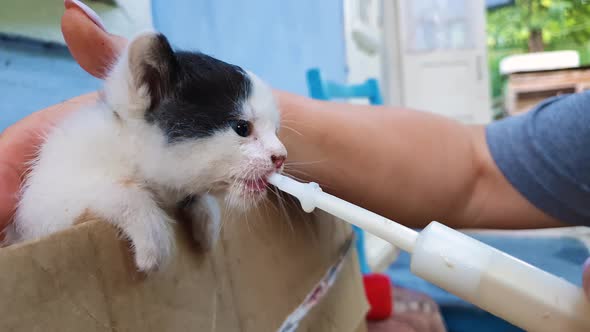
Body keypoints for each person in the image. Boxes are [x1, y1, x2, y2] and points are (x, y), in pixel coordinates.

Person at [1, 0, 588, 322]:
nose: (280, 153)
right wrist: (126, 203)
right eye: (243, 128)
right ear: (147, 90)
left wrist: (196, 193)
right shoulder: (84, 144)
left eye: (271, 131)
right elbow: (477, 166)